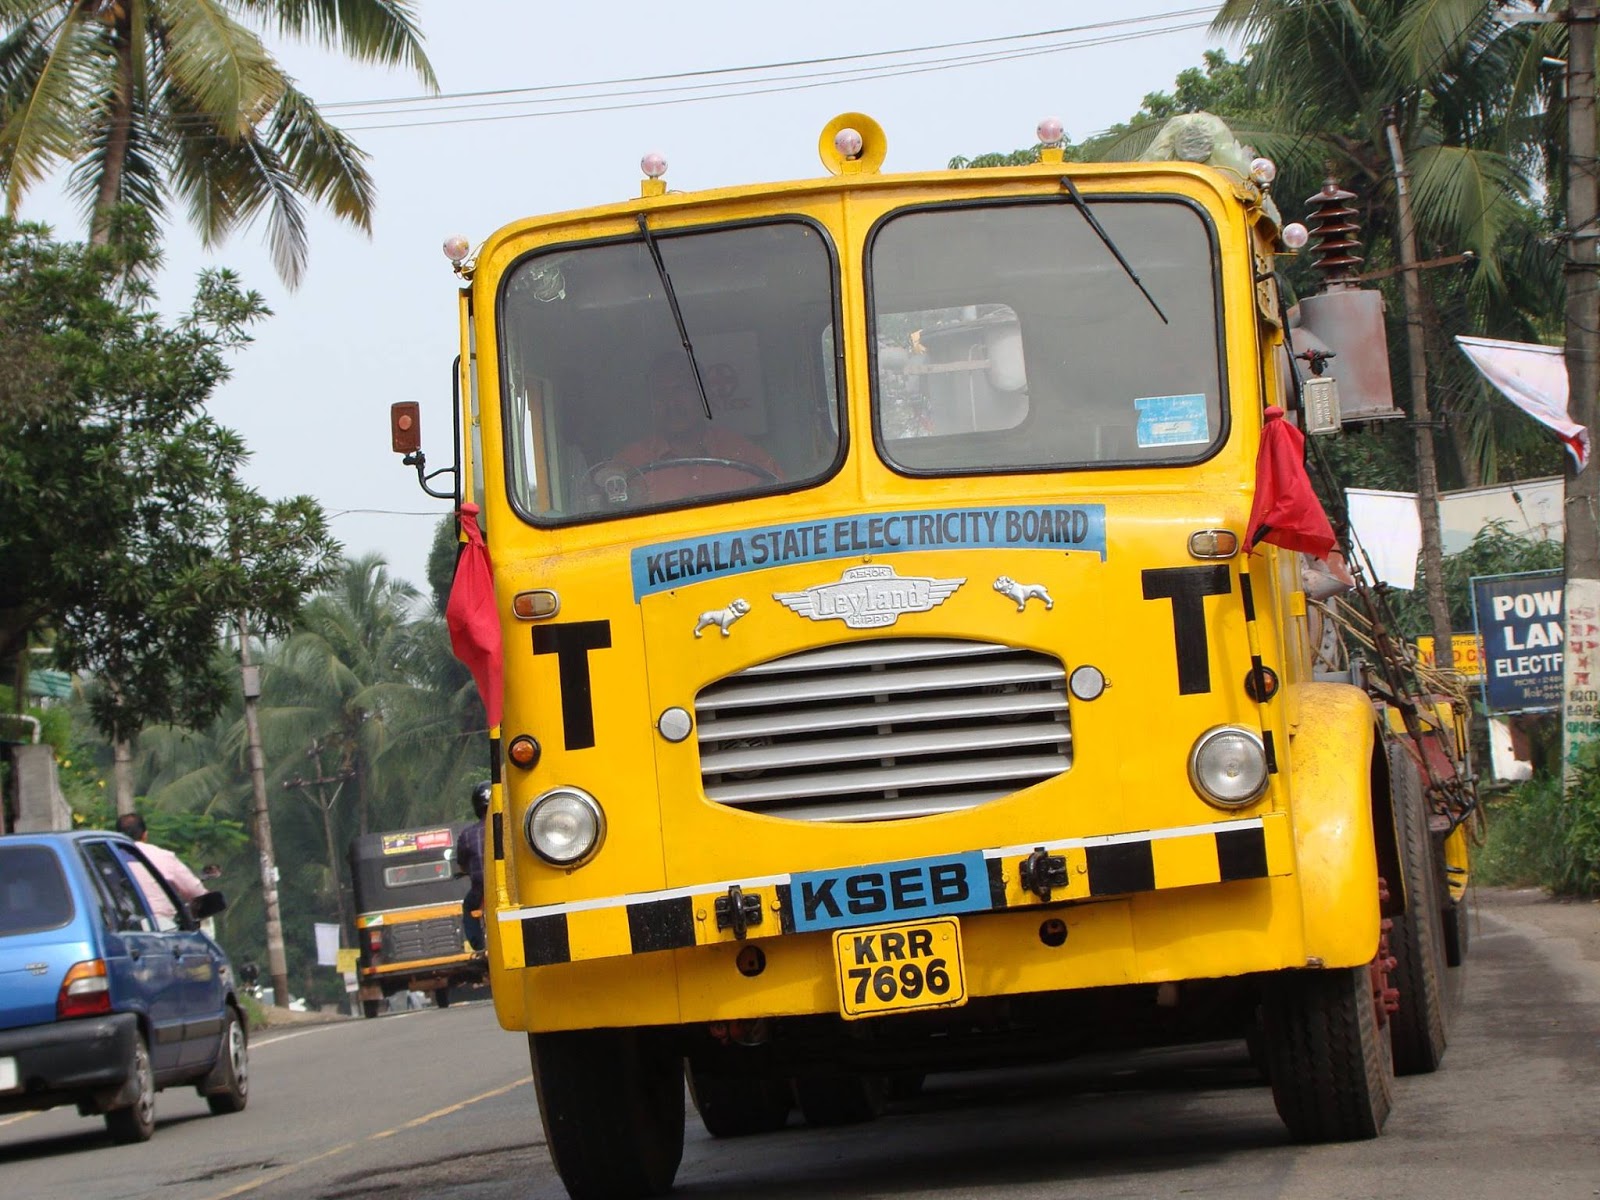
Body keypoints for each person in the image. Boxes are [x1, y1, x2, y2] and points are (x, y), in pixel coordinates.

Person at [600, 353, 781, 505]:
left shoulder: (743, 454)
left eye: (681, 390)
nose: (671, 403)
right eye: (660, 394)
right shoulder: (629, 464)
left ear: (704, 395)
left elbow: (781, 505)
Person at [114, 812, 208, 929]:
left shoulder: (107, 858)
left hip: (116, 929)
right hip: (160, 928)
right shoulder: (163, 856)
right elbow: (196, 892)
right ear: (145, 835)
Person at [456, 781, 490, 954]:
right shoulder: (509, 827)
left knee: (469, 907)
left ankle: (479, 946)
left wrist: (464, 869)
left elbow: (461, 861)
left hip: (480, 887)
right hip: (508, 887)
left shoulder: (467, 834)